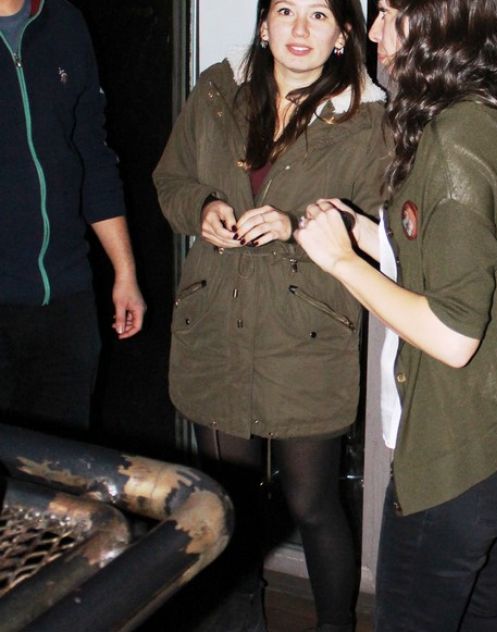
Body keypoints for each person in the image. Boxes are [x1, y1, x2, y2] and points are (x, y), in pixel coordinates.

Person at [295, 0, 497, 629]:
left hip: (457, 451)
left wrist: (341, 262)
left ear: (438, 21)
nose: (372, 30)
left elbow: (452, 335)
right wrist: (363, 235)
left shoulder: (453, 139)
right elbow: (452, 258)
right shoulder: (486, 113)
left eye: (386, 12)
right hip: (495, 443)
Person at [153, 1, 388, 630]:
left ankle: (335, 625)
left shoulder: (368, 118)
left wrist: (297, 226)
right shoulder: (216, 91)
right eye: (286, 10)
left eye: (319, 14)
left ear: (342, 35)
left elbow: (380, 230)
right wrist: (202, 207)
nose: (300, 29)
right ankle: (240, 620)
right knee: (225, 503)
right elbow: (170, 179)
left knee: (312, 503)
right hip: (216, 322)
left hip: (305, 329)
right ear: (263, 26)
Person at [0, 0, 145, 434]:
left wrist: (125, 271)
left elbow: (92, 156)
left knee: (61, 464)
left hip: (67, 302)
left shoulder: (63, 21)